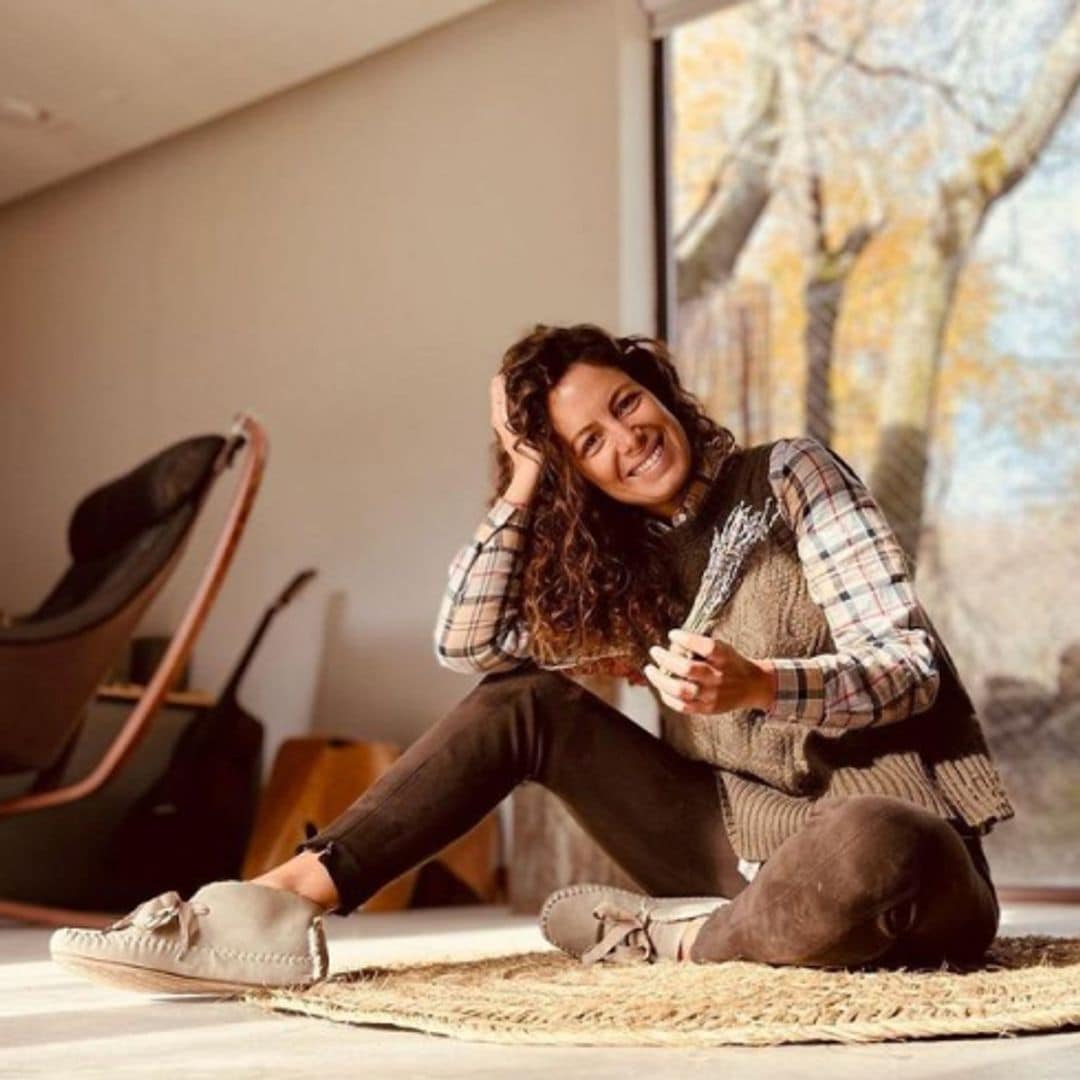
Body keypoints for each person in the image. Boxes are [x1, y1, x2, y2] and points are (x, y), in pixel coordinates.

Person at [50, 323, 1014, 993]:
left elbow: (907, 665)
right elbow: (467, 646)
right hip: (733, 839)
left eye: (627, 403)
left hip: (901, 846)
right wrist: (520, 480)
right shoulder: (627, 571)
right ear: (575, 472)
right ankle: (272, 909)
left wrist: (764, 684)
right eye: (586, 442)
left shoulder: (790, 477)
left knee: (874, 845)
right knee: (527, 701)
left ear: (660, 389)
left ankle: (686, 945)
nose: (627, 438)